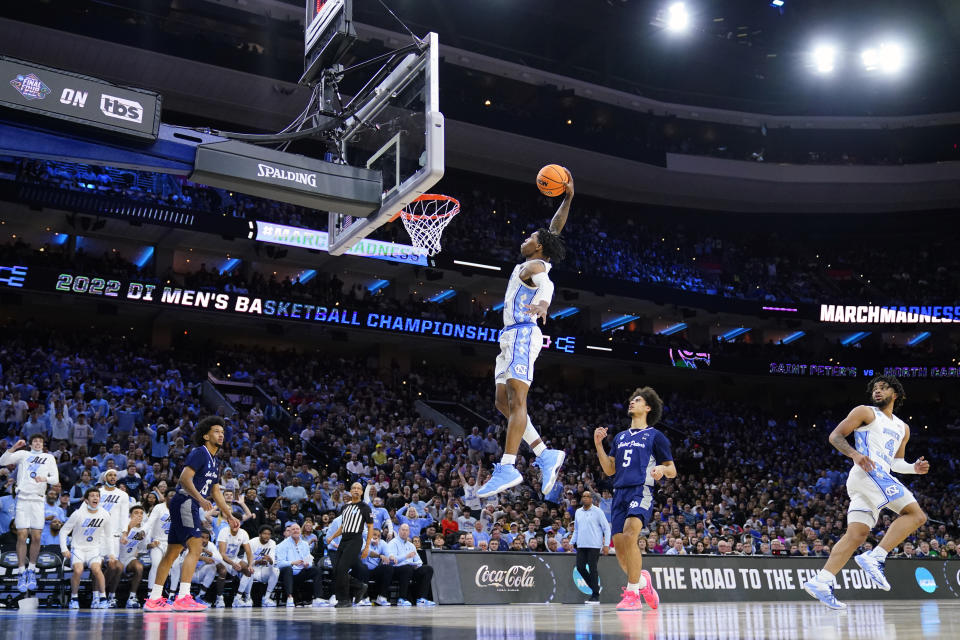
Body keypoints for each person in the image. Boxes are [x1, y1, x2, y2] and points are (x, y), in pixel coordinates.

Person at [477, 174, 574, 499]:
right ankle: (545, 455)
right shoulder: (537, 257)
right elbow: (553, 229)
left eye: (530, 237)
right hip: (509, 339)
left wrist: (544, 302)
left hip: (522, 334)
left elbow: (546, 283)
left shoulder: (534, 267)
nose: (526, 239)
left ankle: (508, 465)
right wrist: (567, 199)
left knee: (518, 400)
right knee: (501, 402)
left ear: (538, 247)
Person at [803, 376, 930, 610]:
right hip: (869, 473)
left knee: (857, 535)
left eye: (884, 387)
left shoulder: (904, 428)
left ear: (897, 394)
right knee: (917, 516)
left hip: (875, 477)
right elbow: (835, 436)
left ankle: (822, 581)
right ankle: (877, 556)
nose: (877, 391)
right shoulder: (865, 411)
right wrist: (854, 454)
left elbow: (896, 464)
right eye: (875, 388)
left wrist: (913, 468)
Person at [144, 416, 239, 611]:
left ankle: (154, 599)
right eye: (216, 431)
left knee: (172, 553)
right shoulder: (200, 453)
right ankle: (183, 597)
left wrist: (229, 515)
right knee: (196, 546)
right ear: (205, 435)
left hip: (188, 503)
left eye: (222, 432)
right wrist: (200, 498)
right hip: (186, 501)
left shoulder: (215, 461)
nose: (220, 435)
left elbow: (215, 492)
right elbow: (184, 478)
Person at [594, 387, 675, 611]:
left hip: (641, 490)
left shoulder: (655, 436)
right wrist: (599, 445)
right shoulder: (620, 437)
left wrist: (660, 468)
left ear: (647, 408)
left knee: (631, 534)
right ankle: (642, 583)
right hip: (619, 492)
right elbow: (610, 470)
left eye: (637, 400)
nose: (632, 402)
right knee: (620, 549)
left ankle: (632, 595)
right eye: (631, 400)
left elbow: (672, 469)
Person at [0, 435, 59, 592]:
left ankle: (31, 570)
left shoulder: (48, 457)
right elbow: (2, 461)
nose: (38, 443)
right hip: (23, 500)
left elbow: (55, 479)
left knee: (37, 536)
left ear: (43, 444)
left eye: (40, 441)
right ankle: (21, 572)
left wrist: (44, 478)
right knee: (21, 536)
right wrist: (14, 447)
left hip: (38, 500)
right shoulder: (23, 454)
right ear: (31, 444)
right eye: (35, 441)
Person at [60, 487, 115, 609]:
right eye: (92, 495)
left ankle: (103, 598)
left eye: (97, 495)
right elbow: (63, 531)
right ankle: (74, 598)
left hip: (94, 548)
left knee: (97, 569)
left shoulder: (105, 514)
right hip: (78, 548)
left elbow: (108, 536)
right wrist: (64, 548)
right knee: (78, 570)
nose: (95, 497)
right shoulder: (78, 514)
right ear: (86, 500)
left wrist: (111, 553)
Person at [326, 482, 373, 608]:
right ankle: (358, 586)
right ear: (350, 491)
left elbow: (370, 528)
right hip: (344, 539)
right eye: (354, 488)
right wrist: (332, 537)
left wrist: (367, 547)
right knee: (336, 570)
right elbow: (343, 526)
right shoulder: (345, 507)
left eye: (359, 488)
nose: (356, 490)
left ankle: (344, 600)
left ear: (362, 492)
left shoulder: (365, 508)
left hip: (356, 539)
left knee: (342, 568)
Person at [382, 523, 436, 607]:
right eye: (402, 530)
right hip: (396, 570)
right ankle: (402, 598)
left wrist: (416, 565)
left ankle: (422, 599)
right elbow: (392, 561)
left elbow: (419, 561)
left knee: (428, 569)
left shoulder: (411, 545)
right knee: (407, 568)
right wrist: (406, 557)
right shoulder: (393, 543)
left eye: (406, 530)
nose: (404, 532)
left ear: (409, 532)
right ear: (399, 531)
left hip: (411, 569)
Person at [98, 468, 130, 607]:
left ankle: (110, 595)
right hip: (99, 533)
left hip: (114, 534)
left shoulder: (122, 495)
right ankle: (98, 596)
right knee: (97, 566)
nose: (112, 477)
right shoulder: (98, 492)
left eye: (114, 475)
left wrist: (124, 532)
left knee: (114, 566)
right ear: (105, 478)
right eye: (110, 475)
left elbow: (124, 515)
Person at [572, 491, 610, 604]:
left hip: (594, 545)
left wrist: (606, 545)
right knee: (580, 567)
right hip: (581, 544)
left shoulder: (598, 512)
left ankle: (595, 596)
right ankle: (595, 589)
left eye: (587, 497)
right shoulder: (578, 512)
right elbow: (576, 530)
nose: (585, 498)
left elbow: (606, 529)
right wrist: (571, 541)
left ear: (592, 499)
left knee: (593, 569)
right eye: (583, 496)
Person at [275, 522, 325, 607]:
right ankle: (289, 598)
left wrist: (307, 564)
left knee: (316, 570)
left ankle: (318, 598)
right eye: (293, 529)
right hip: (287, 573)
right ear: (289, 532)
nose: (295, 531)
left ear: (300, 531)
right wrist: (292, 563)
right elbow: (279, 564)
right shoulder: (282, 545)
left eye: (297, 529)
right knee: (288, 568)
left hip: (301, 572)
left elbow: (309, 560)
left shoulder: (305, 544)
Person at [112, 503, 147, 609]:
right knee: (119, 567)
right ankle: (111, 597)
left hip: (129, 558)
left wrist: (152, 545)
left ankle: (132, 597)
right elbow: (118, 541)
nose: (139, 515)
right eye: (136, 513)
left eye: (141, 513)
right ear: (130, 515)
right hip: (117, 557)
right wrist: (129, 527)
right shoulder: (122, 526)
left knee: (139, 567)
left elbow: (142, 547)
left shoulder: (143, 530)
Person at [216, 519, 254, 608]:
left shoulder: (243, 533)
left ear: (240, 523)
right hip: (220, 559)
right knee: (223, 571)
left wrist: (250, 565)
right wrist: (233, 564)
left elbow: (249, 552)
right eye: (232, 521)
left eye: (237, 522)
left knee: (248, 570)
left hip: (233, 558)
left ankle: (238, 598)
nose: (235, 524)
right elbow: (222, 553)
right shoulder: (223, 531)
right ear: (229, 522)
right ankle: (219, 598)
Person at [144, 489, 173, 589]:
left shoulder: (179, 508)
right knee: (156, 565)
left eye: (175, 496)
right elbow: (149, 523)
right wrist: (143, 531)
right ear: (165, 498)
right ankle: (149, 593)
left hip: (172, 544)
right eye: (170, 496)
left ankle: (171, 594)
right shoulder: (158, 507)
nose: (173, 498)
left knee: (176, 567)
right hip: (158, 542)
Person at [247, 525, 280, 607]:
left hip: (263, 570)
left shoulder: (272, 543)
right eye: (265, 533)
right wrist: (257, 562)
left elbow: (272, 562)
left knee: (276, 570)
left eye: (269, 534)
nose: (267, 536)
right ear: (260, 534)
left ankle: (266, 598)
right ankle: (247, 598)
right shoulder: (252, 542)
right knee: (247, 571)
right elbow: (246, 561)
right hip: (252, 569)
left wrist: (270, 560)